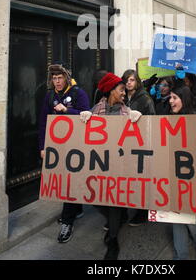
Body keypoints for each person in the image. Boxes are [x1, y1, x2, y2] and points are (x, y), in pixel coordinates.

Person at [80, 72, 142, 260]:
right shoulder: (96, 109)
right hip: (100, 166)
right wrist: (83, 117)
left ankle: (113, 239)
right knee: (96, 199)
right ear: (110, 91)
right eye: (121, 89)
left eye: (125, 90)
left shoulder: (127, 112)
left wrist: (139, 119)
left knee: (114, 202)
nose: (124, 93)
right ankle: (118, 218)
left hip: (120, 167)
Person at [38, 63, 90, 243]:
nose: (57, 81)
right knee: (64, 179)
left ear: (66, 78)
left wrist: (67, 110)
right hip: (57, 145)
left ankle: (67, 222)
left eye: (60, 78)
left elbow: (87, 116)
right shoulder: (50, 95)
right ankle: (77, 209)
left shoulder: (78, 93)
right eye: (54, 78)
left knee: (70, 180)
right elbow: (43, 122)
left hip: (76, 146)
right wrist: (43, 147)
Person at [169, 86, 196, 260]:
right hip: (171, 174)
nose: (171, 101)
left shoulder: (195, 120)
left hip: (190, 177)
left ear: (184, 99)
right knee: (175, 216)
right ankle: (181, 255)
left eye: (174, 98)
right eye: (170, 98)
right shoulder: (168, 119)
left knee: (189, 216)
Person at [121, 69, 156, 227]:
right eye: (127, 80)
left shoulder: (145, 99)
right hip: (124, 143)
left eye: (132, 80)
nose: (129, 83)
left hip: (140, 143)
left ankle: (142, 212)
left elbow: (152, 121)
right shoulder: (121, 96)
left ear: (137, 82)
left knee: (141, 179)